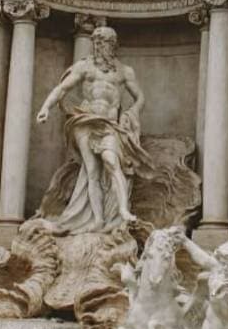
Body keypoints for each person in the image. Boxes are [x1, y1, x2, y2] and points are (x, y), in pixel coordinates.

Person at [36, 26, 152, 233]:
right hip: (85, 120)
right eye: (97, 42)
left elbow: (141, 97)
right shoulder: (84, 67)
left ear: (113, 45)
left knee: (111, 161)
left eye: (105, 42)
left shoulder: (125, 71)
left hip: (109, 124)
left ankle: (123, 211)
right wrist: (46, 107)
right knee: (92, 172)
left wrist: (131, 112)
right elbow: (62, 88)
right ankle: (98, 219)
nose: (100, 46)